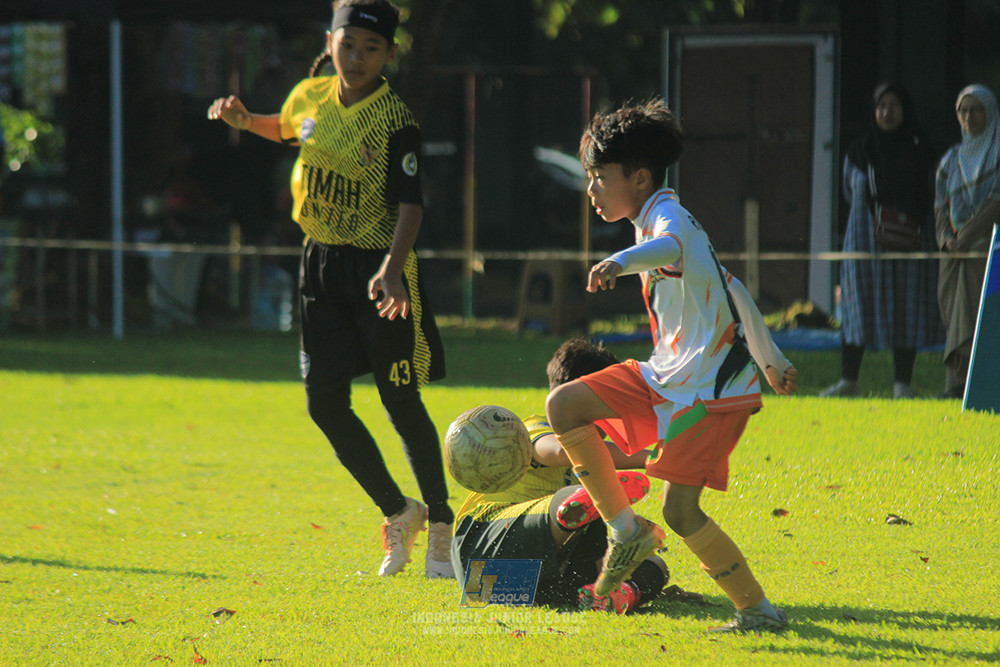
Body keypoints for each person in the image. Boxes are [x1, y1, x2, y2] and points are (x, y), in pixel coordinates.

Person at [207, 0, 454, 578]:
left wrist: (392, 269)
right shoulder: (310, 96)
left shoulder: (396, 121)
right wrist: (246, 121)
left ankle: (442, 526)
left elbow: (411, 206)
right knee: (323, 403)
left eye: (371, 48)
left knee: (400, 400)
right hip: (319, 263)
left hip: (379, 270)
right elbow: (286, 128)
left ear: (389, 54)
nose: (357, 56)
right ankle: (399, 512)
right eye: (348, 44)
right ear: (330, 42)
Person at [544, 98, 798, 633]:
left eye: (600, 177)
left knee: (681, 512)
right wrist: (772, 359)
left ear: (639, 178)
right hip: (670, 376)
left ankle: (757, 611)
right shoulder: (658, 222)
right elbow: (732, 288)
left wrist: (619, 262)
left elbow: (668, 246)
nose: (591, 189)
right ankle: (625, 530)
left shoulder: (668, 219)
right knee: (564, 405)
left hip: (710, 393)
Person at [451, 339, 669, 614]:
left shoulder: (592, 467)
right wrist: (655, 459)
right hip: (481, 546)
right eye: (612, 401)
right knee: (589, 494)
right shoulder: (535, 427)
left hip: (497, 585)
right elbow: (554, 450)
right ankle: (573, 509)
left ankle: (611, 594)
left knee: (654, 566)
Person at [821, 83, 944, 399]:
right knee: (858, 306)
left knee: (907, 307)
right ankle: (848, 381)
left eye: (894, 106)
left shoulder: (920, 150)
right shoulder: (859, 152)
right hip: (865, 241)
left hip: (910, 242)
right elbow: (849, 192)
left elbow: (933, 193)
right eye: (882, 106)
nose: (887, 112)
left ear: (906, 110)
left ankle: (902, 384)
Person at [934, 84, 1000, 399]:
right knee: (954, 314)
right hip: (954, 252)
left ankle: (969, 386)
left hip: (987, 248)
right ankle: (954, 383)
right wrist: (946, 239)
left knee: (978, 313)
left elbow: (996, 202)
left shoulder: (997, 154)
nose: (969, 117)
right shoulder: (950, 160)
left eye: (976, 110)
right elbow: (940, 207)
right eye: (963, 110)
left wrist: (968, 236)